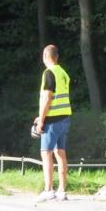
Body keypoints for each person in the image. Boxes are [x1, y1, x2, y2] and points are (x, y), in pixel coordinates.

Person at [33, 44, 72, 202]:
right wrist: (40, 117)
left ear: (45, 56)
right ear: (57, 57)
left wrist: (41, 120)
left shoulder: (48, 73)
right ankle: (62, 190)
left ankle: (48, 190)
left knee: (46, 153)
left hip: (52, 120)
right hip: (65, 117)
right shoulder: (63, 73)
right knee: (60, 153)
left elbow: (48, 98)